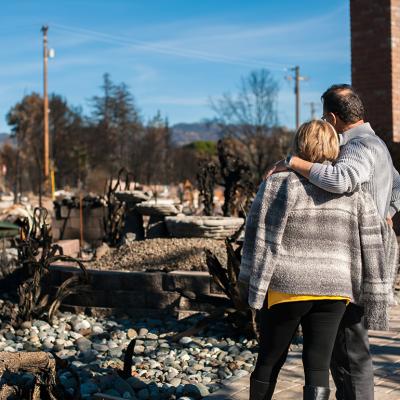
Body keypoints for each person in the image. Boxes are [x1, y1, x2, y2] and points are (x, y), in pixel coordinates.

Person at [239, 119, 398, 400]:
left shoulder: (279, 182)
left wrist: (250, 280)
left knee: (269, 360)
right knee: (317, 367)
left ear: (299, 145)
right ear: (335, 147)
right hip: (335, 289)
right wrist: (376, 290)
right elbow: (371, 243)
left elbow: (258, 234)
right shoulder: (354, 193)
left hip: (287, 286)